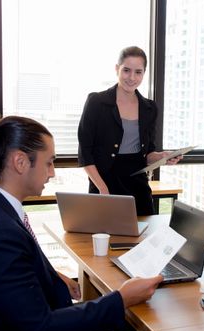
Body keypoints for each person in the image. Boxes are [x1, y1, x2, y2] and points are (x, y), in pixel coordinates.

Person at [0, 111, 163, 331]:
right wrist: (121, 299)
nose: (52, 173)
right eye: (49, 163)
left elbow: (9, 278)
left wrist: (50, 275)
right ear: (20, 162)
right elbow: (42, 329)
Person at [78, 46, 181, 216]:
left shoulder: (150, 107)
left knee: (144, 237)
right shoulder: (97, 102)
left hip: (138, 185)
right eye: (126, 70)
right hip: (104, 183)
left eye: (138, 72)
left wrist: (162, 157)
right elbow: (85, 153)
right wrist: (102, 189)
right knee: (106, 237)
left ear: (144, 73)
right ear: (117, 69)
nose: (132, 77)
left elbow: (147, 153)